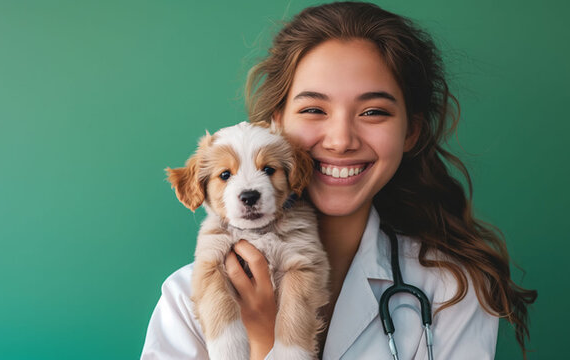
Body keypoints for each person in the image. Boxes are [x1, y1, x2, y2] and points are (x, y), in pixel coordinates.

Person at [141, 1, 537, 359]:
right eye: (314, 108)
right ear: (275, 124)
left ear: (411, 132)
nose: (342, 140)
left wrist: (267, 343)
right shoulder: (185, 297)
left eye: (373, 112)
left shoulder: (453, 290)